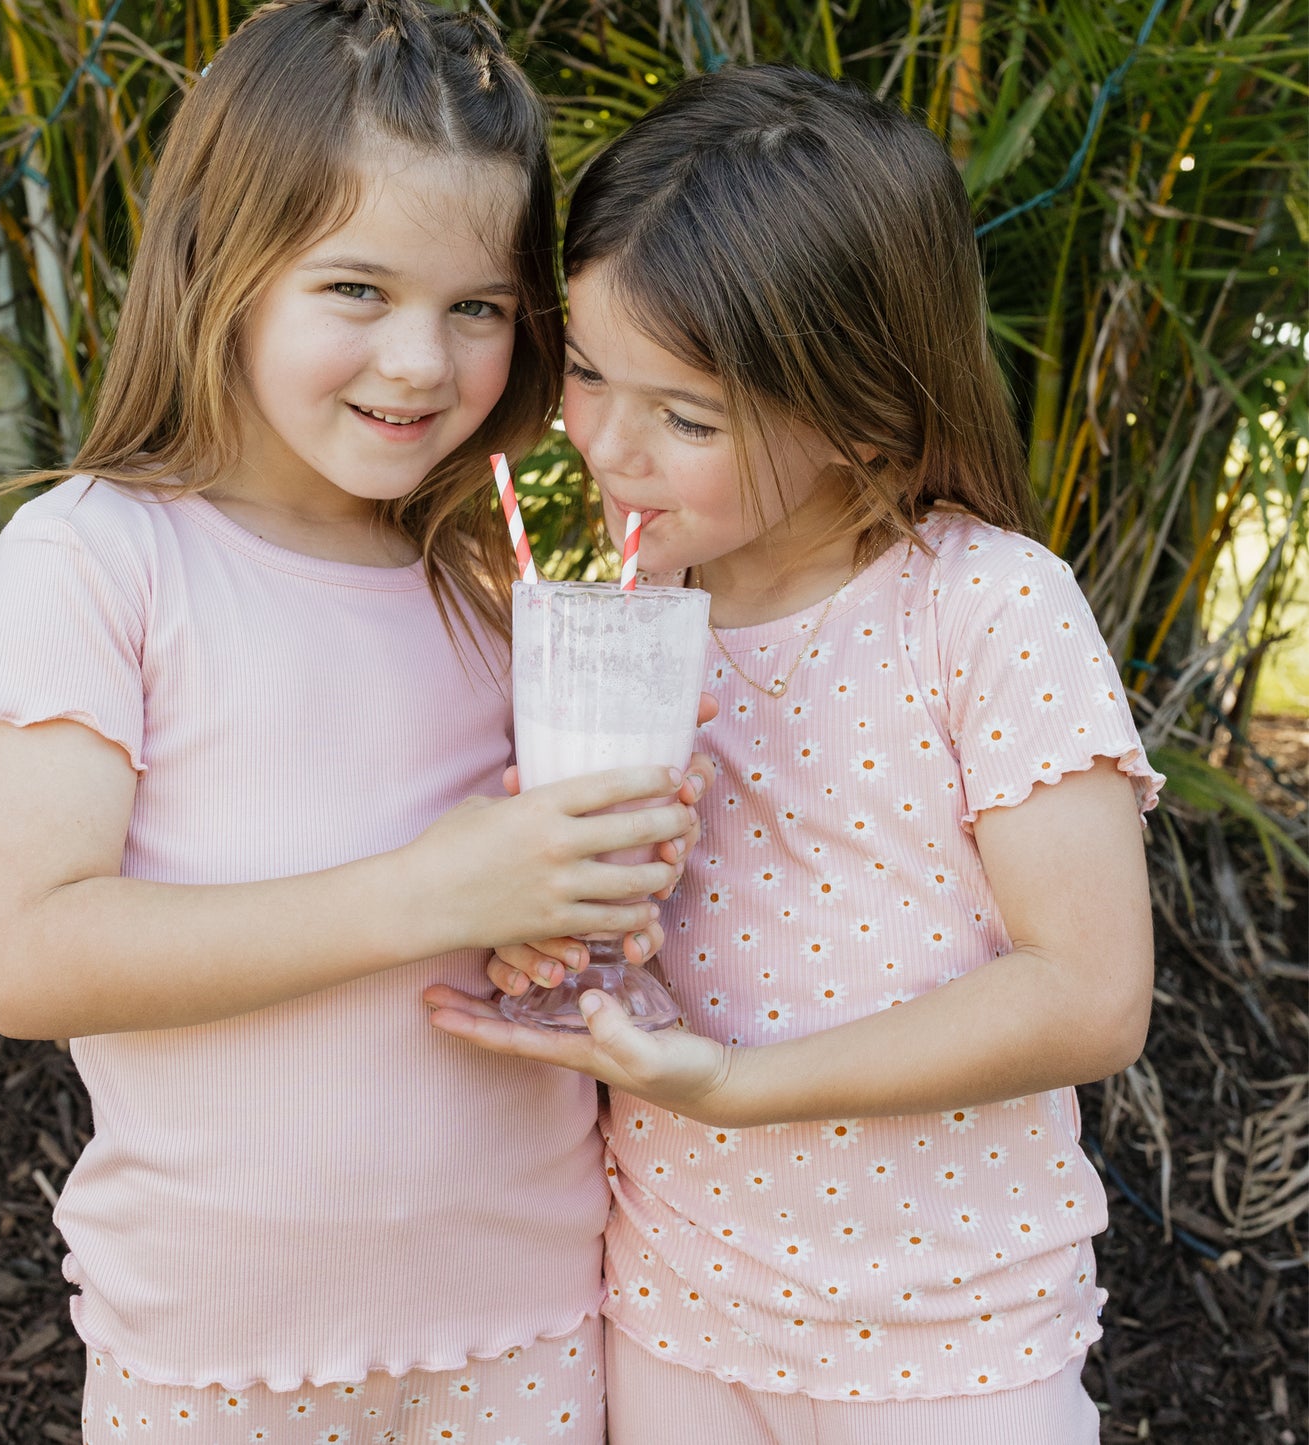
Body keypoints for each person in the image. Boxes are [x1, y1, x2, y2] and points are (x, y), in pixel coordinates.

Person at [0, 3, 713, 1438]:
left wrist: (539, 912)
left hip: (529, 1312)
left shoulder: (483, 581)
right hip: (219, 1346)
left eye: (475, 307)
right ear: (224, 264)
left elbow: (501, 902)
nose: (420, 362)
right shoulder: (97, 560)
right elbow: (31, 957)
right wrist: (431, 888)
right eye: (355, 287)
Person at [426, 65, 1162, 1444]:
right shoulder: (626, 629)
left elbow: (1089, 994)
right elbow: (625, 931)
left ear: (863, 416)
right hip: (677, 1305)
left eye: (684, 416)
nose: (604, 443)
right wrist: (553, 933)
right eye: (584, 370)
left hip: (953, 1337)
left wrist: (738, 1086)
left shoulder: (983, 606)